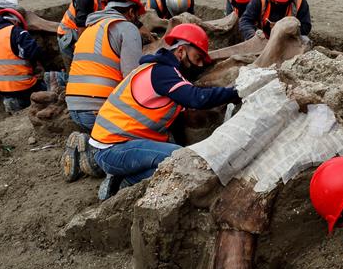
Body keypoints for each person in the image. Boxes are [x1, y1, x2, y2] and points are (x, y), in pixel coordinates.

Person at [88, 23, 240, 200]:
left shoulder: (161, 71)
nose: (198, 65)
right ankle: (125, 183)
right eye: (196, 57)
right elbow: (197, 99)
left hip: (123, 145)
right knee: (182, 161)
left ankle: (124, 179)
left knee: (174, 165)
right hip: (113, 149)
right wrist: (234, 91)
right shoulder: (162, 73)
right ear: (181, 51)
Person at [61, 0, 146, 181]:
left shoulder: (89, 28)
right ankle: (94, 156)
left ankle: (89, 142)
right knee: (140, 141)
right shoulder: (126, 28)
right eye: (137, 15)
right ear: (131, 11)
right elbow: (131, 79)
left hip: (75, 106)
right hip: (97, 109)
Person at [57, 0, 142, 70]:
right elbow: (82, 34)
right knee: (81, 70)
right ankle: (57, 78)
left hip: (89, 31)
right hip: (70, 36)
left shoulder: (114, 0)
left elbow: (136, 22)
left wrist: (151, 38)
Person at [0, 0, 49, 113]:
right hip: (19, 86)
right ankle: (22, 105)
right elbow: (34, 53)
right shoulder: (16, 32)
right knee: (50, 89)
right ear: (15, 20)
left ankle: (11, 103)